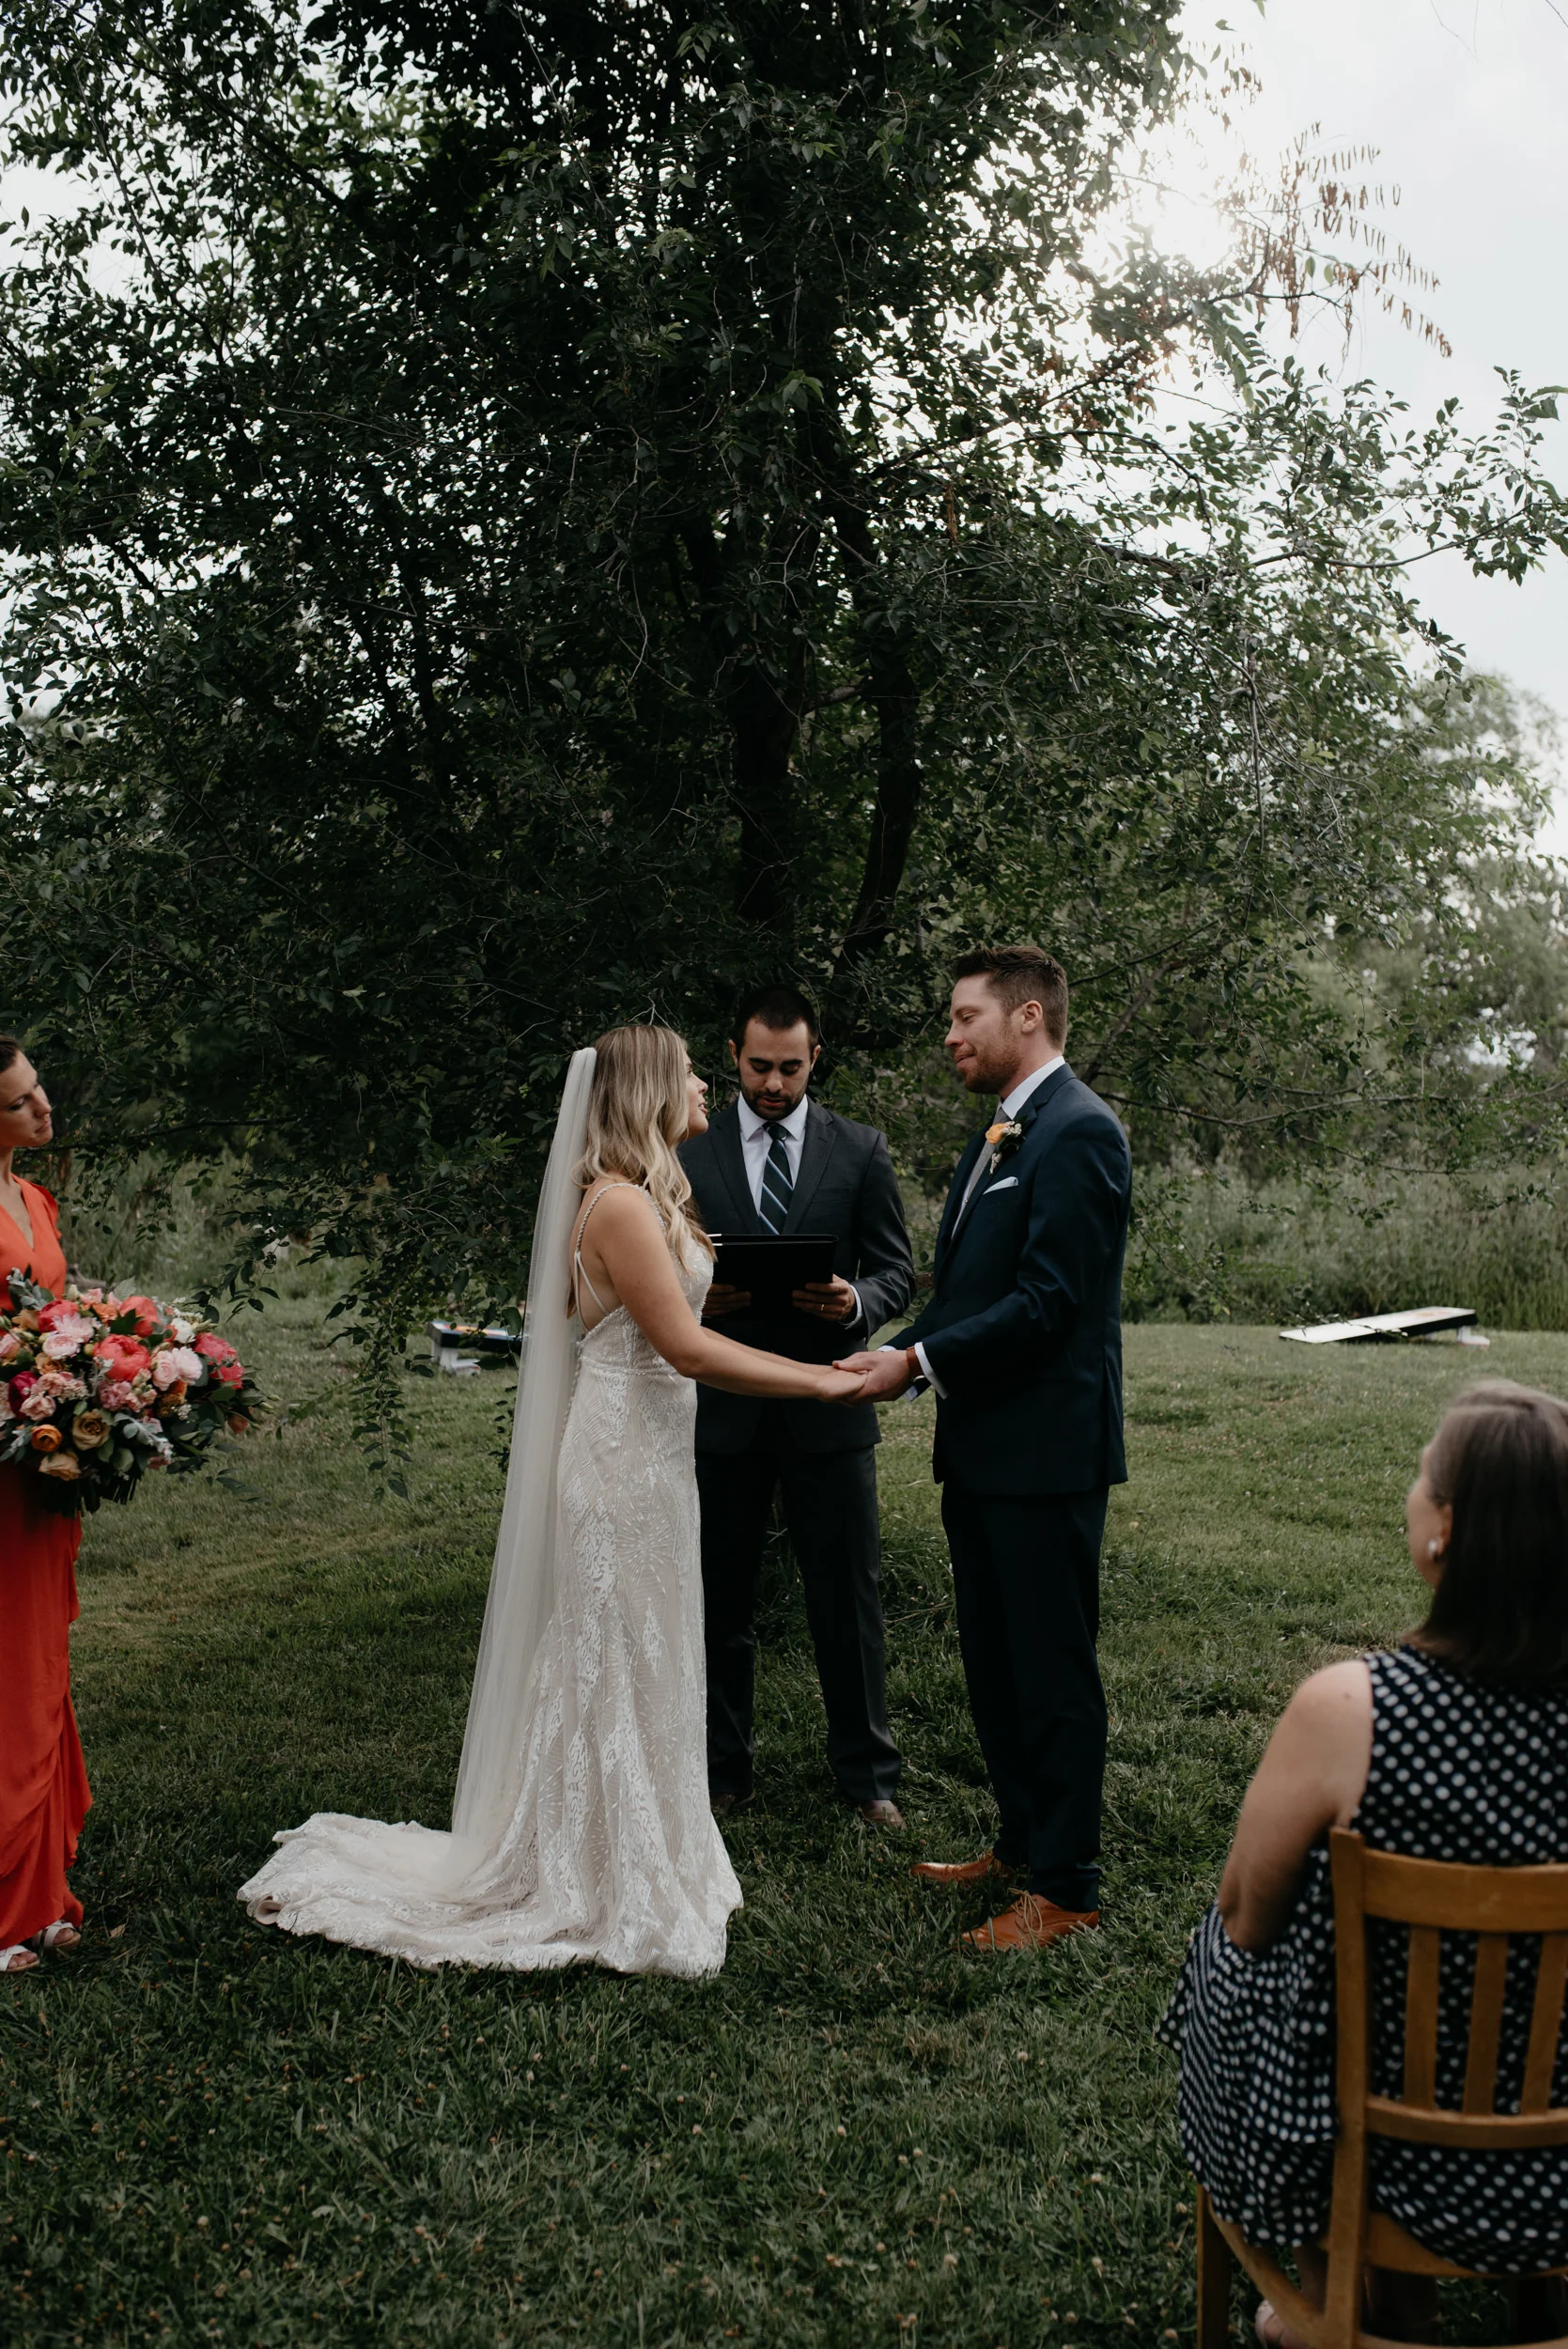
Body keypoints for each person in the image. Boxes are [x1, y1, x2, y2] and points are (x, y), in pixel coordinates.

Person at [241, 1026, 869, 1978]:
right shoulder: (617, 1206)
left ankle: (639, 1846)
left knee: (645, 1651)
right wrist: (820, 1383)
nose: (704, 1081)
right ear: (650, 1089)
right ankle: (595, 1872)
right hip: (620, 1465)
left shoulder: (648, 1196)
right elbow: (686, 1348)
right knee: (613, 1659)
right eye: (691, 1070)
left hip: (652, 1460)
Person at [1159, 1382, 1568, 2348]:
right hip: (1555, 2142)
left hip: (1376, 2147)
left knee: (1233, 1958)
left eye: (1422, 1473)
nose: (1410, 1490)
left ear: (1446, 1535)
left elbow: (1247, 1917)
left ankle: (1332, 2289)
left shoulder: (1351, 1711)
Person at [836, 945, 1131, 1952]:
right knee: (996, 1664)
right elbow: (967, 1292)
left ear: (1030, 1018)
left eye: (966, 1016)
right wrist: (895, 1343)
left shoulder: (1080, 1134)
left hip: (1047, 1455)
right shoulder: (1003, 1132)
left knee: (1050, 1671)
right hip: (984, 1449)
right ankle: (1018, 1843)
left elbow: (1050, 1305)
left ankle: (1068, 1886)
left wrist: (914, 1361)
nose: (950, 1034)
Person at [678, 986, 914, 1827]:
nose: (771, 1083)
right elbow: (663, 1263)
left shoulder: (859, 1150)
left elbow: (896, 1267)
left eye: (788, 1067)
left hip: (830, 1405)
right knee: (716, 1599)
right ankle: (719, 1774)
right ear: (733, 1056)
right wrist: (696, 1298)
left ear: (816, 1059)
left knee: (846, 1600)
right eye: (756, 1066)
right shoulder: (688, 1150)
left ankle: (867, 1782)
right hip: (720, 1409)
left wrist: (855, 1301)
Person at [0, 1040, 91, 1977]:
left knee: (36, 1660)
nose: (43, 1108)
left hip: (38, 1469)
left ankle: (39, 1892)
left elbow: (52, 1311)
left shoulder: (34, 1199)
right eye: (21, 1103)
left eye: (39, 1090)